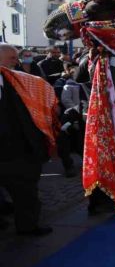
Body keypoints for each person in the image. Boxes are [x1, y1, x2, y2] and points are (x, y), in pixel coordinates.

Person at [0, 43, 58, 236]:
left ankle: (27, 225)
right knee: (23, 188)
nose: (16, 62)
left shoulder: (16, 79)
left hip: (19, 147)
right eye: (12, 58)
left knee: (25, 189)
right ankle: (26, 226)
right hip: (10, 148)